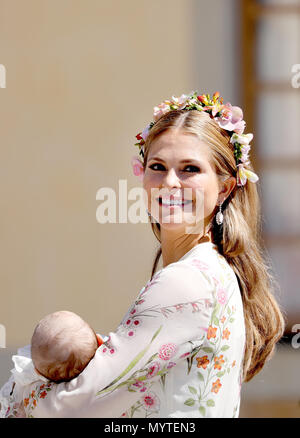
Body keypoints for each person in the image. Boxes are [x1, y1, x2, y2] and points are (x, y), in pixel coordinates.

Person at [3, 91, 285, 418]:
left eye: (189, 169)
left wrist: (17, 397)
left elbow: (74, 406)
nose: (169, 183)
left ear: (224, 187)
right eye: (158, 166)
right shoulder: (214, 273)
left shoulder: (185, 283)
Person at [0, 310, 103, 417]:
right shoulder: (107, 361)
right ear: (100, 342)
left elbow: (6, 400)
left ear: (37, 371)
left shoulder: (25, 374)